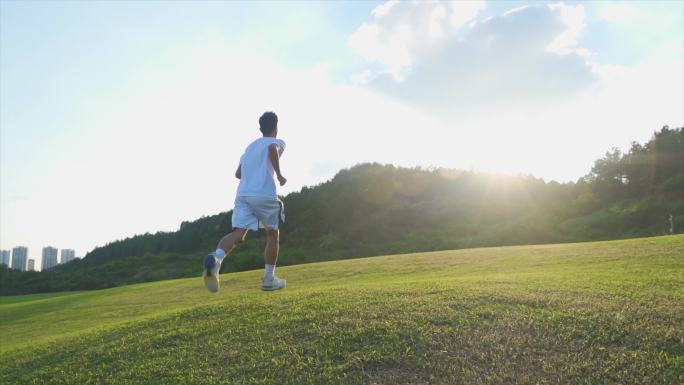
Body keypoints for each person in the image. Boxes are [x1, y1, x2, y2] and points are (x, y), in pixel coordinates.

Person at [203, 111, 287, 292]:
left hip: (243, 194)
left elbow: (238, 174)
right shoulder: (277, 142)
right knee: (273, 234)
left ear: (260, 128)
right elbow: (273, 150)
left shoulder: (250, 147)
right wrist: (279, 175)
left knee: (238, 235)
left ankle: (216, 258)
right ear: (276, 127)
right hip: (263, 193)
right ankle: (269, 279)